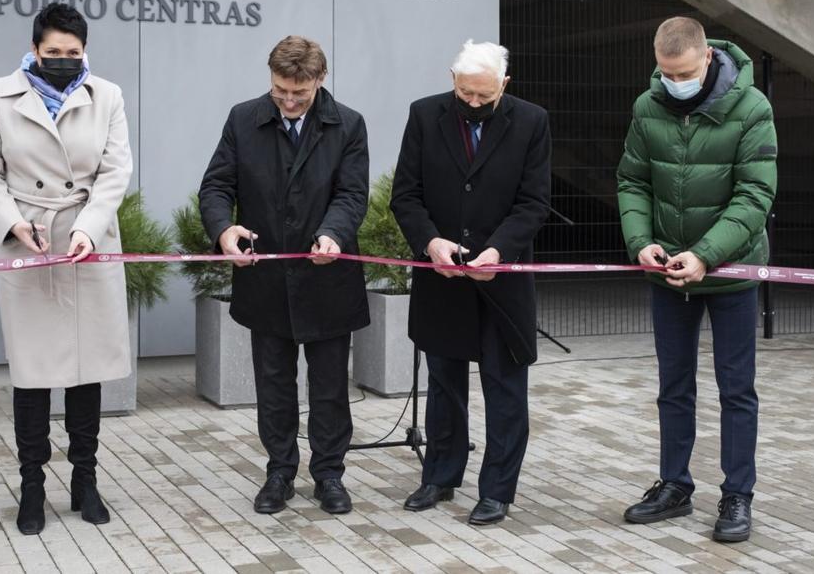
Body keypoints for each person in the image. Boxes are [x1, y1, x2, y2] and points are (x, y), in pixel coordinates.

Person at [0, 2, 133, 535]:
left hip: (88, 237)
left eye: (73, 53)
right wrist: (14, 225)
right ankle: (32, 485)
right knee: (34, 373)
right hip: (28, 243)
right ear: (35, 49)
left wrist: (88, 226)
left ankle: (85, 479)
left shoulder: (106, 95)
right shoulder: (1, 93)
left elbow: (115, 170)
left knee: (87, 370)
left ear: (85, 51)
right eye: (53, 52)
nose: (63, 60)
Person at [617, 17, 777, 542]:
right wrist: (641, 242)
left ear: (707, 58)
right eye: (665, 73)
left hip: (729, 273)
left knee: (737, 390)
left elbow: (755, 195)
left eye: (682, 72)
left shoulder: (753, 109)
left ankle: (738, 495)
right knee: (673, 386)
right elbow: (632, 180)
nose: (673, 82)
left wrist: (706, 255)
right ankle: (674, 485)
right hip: (669, 277)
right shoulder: (648, 106)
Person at [199, 35, 369, 515]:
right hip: (265, 279)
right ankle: (279, 472)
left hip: (328, 278)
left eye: (300, 93)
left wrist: (334, 232)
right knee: (273, 384)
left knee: (331, 387)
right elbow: (215, 186)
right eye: (280, 91)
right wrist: (223, 230)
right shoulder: (242, 118)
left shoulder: (349, 125)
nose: (289, 102)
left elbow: (352, 194)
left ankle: (330, 475)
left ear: (320, 79)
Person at [390, 39, 551, 526]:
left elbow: (533, 202)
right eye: (466, 94)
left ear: (504, 84)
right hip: (442, 278)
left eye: (485, 96)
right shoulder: (424, 115)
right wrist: (430, 243)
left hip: (502, 280)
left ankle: (497, 490)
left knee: (505, 387)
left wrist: (498, 251)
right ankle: (440, 476)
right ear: (452, 80)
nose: (474, 104)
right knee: (444, 384)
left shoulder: (531, 121)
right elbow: (406, 195)